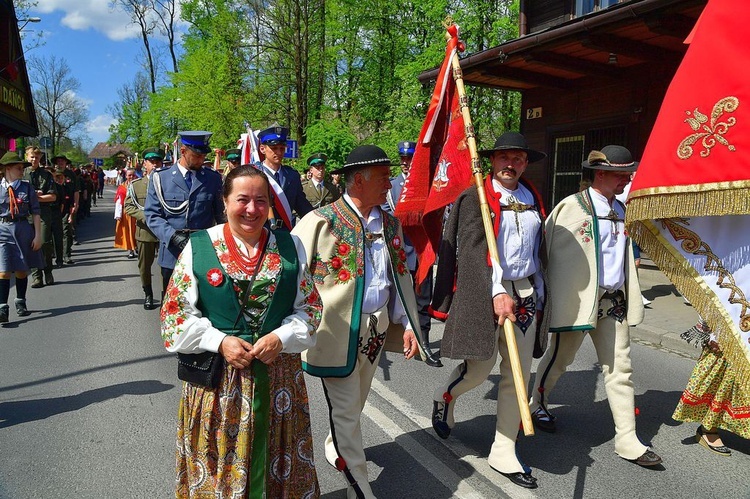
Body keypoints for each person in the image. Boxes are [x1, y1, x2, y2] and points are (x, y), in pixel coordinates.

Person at [161, 165, 322, 497]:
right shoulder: (199, 246)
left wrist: (283, 337)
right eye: (242, 199)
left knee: (278, 461)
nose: (252, 209)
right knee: (220, 460)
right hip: (219, 384)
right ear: (225, 202)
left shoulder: (290, 246)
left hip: (278, 382)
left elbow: (312, 309)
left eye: (261, 201)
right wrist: (219, 342)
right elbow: (173, 319)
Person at [292, 145, 430, 499]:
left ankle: (336, 441)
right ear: (357, 181)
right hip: (332, 333)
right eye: (382, 177)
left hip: (377, 329)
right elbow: (291, 275)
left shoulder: (389, 223)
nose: (389, 183)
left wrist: (409, 324)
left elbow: (400, 276)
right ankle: (360, 487)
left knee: (353, 405)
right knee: (347, 410)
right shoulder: (319, 221)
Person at [530, 145, 662, 467]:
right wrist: (548, 296)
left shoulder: (622, 208)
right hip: (579, 302)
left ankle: (627, 439)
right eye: (621, 174)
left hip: (613, 302)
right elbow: (545, 251)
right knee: (561, 359)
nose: (626, 179)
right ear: (600, 173)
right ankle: (537, 403)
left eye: (628, 173)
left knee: (620, 369)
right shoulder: (570, 208)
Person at [429, 132, 547, 489]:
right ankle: (444, 396)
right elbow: (469, 252)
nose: (512, 164)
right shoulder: (475, 197)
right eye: (505, 158)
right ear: (493, 161)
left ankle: (504, 447)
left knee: (518, 374)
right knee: (479, 371)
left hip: (524, 294)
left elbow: (537, 250)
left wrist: (539, 289)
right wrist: (497, 291)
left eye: (519, 159)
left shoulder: (532, 197)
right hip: (485, 292)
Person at [145, 131, 226, 298]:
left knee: (203, 300)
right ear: (183, 151)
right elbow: (152, 215)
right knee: (172, 301)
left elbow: (221, 216)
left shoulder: (212, 179)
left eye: (203, 156)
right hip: (172, 252)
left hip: (203, 250)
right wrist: (173, 237)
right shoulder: (161, 178)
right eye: (196, 155)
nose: (201, 160)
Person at [384, 140, 441, 367]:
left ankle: (424, 342)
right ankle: (397, 338)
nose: (406, 163)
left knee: (424, 299)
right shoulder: (391, 186)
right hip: (401, 251)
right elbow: (389, 219)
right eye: (403, 159)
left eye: (410, 159)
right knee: (397, 299)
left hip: (422, 250)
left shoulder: (426, 185)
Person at [0, 152, 43, 323]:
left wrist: (38, 235)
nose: (22, 171)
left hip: (23, 228)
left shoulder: (26, 187)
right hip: (3, 228)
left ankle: (20, 300)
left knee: (21, 269)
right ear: (7, 168)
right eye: (18, 168)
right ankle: (3, 307)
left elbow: (36, 212)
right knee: (3, 271)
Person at [125, 148, 162, 309]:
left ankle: (167, 296)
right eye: (151, 161)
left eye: (158, 161)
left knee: (167, 267)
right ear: (145, 164)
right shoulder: (136, 185)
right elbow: (129, 206)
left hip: (164, 232)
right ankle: (148, 294)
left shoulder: (169, 183)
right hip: (145, 232)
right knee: (145, 267)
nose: (155, 164)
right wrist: (145, 217)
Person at [257, 125, 313, 222]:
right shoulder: (255, 175)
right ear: (262, 149)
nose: (279, 152)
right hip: (262, 231)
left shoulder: (292, 176)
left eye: (282, 148)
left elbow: (303, 207)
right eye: (274, 148)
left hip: (286, 230)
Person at [23, 147, 56, 288]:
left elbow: (52, 197)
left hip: (43, 213)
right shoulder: (21, 174)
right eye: (31, 157)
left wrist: (37, 198)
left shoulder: (46, 175)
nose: (34, 160)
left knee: (44, 243)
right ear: (26, 157)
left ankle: (48, 271)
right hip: (26, 214)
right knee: (31, 245)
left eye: (36, 157)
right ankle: (37, 276)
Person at [51, 155, 79, 264]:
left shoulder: (71, 174)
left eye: (63, 161)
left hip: (68, 206)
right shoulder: (50, 174)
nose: (61, 163)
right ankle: (56, 253)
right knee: (54, 231)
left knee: (66, 230)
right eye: (58, 161)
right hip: (54, 207)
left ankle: (67, 255)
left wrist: (76, 204)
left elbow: (76, 191)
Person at [114, 169, 137, 258]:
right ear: (126, 176)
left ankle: (138, 247)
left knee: (138, 232)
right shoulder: (122, 187)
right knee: (129, 232)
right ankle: (131, 250)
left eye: (133, 175)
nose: (131, 177)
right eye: (129, 175)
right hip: (126, 213)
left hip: (138, 212)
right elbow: (119, 201)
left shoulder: (139, 185)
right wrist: (118, 214)